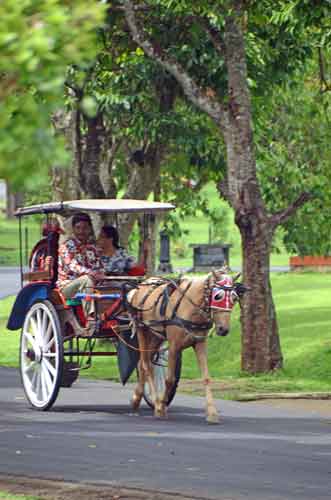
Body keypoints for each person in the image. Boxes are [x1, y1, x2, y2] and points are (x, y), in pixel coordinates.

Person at [57, 212, 104, 325]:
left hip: (90, 285)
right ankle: (90, 317)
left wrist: (102, 274)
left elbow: (99, 266)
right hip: (67, 287)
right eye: (78, 228)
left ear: (90, 229)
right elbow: (72, 266)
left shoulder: (92, 248)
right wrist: (91, 273)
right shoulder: (66, 246)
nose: (81, 231)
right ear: (73, 229)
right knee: (87, 279)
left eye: (85, 228)